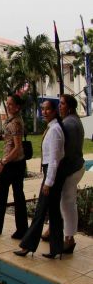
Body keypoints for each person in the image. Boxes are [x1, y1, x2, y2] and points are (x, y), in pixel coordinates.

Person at [15, 99, 66, 259]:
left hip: (53, 175)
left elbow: (55, 160)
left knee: (40, 211)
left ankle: (27, 246)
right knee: (54, 212)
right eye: (42, 109)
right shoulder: (52, 128)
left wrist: (49, 182)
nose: (44, 112)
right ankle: (56, 248)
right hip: (51, 173)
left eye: (47, 109)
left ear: (55, 111)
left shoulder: (55, 130)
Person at [0, 95, 28, 239]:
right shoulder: (13, 120)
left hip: (13, 164)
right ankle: (20, 229)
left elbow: (17, 147)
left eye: (10, 104)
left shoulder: (16, 122)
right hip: (16, 163)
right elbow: (9, 137)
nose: (8, 106)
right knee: (16, 195)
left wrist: (3, 162)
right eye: (7, 103)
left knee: (5, 195)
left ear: (17, 107)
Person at [57, 94, 85, 254]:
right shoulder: (73, 120)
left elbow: (65, 151)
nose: (59, 106)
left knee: (67, 203)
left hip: (71, 169)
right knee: (64, 202)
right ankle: (58, 230)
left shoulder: (69, 123)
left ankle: (69, 238)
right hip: (74, 167)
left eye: (62, 104)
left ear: (70, 107)